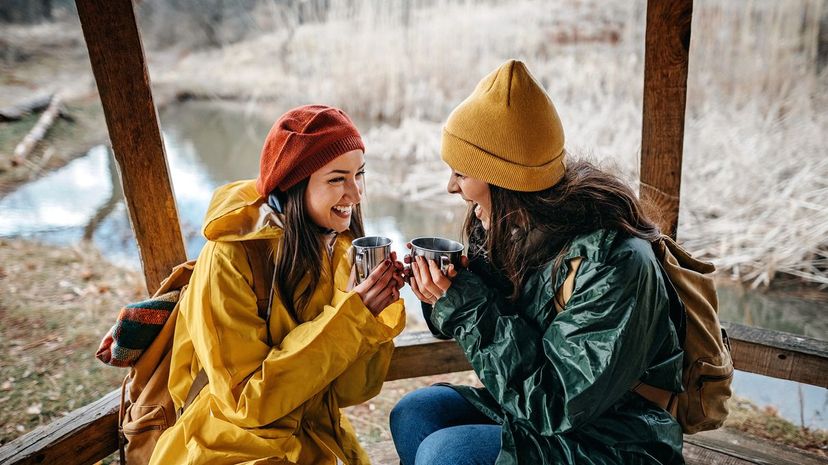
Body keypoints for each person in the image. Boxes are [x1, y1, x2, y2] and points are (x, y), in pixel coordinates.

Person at [393, 60, 685, 465]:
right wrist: (439, 292)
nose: (451, 186)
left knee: (446, 453)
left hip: (619, 437)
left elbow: (555, 401)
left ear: (507, 180)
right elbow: (478, 318)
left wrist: (464, 305)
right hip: (542, 414)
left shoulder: (617, 264)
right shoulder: (511, 226)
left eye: (461, 172)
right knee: (414, 413)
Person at [149, 105, 406, 465]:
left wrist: (372, 314)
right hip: (227, 444)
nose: (357, 193)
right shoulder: (229, 259)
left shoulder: (341, 248)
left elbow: (351, 390)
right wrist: (350, 319)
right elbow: (245, 403)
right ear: (294, 185)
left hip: (315, 437)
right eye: (337, 179)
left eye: (359, 175)